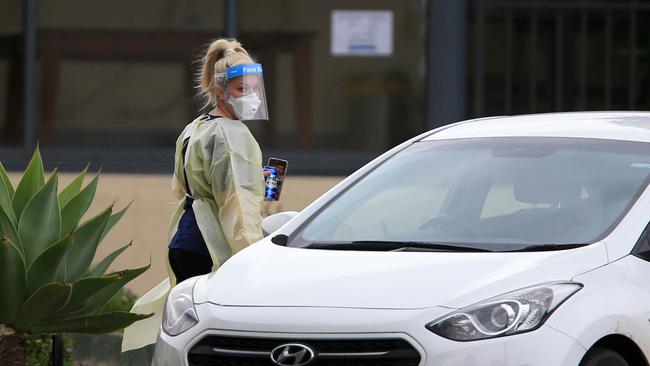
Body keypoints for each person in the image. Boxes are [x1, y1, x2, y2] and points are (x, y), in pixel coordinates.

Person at [121, 38, 269, 352]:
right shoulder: (233, 135)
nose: (251, 97)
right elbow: (238, 208)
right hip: (209, 247)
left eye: (255, 88)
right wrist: (256, 259)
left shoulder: (196, 127)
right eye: (243, 89)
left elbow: (181, 187)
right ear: (220, 89)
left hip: (184, 240)